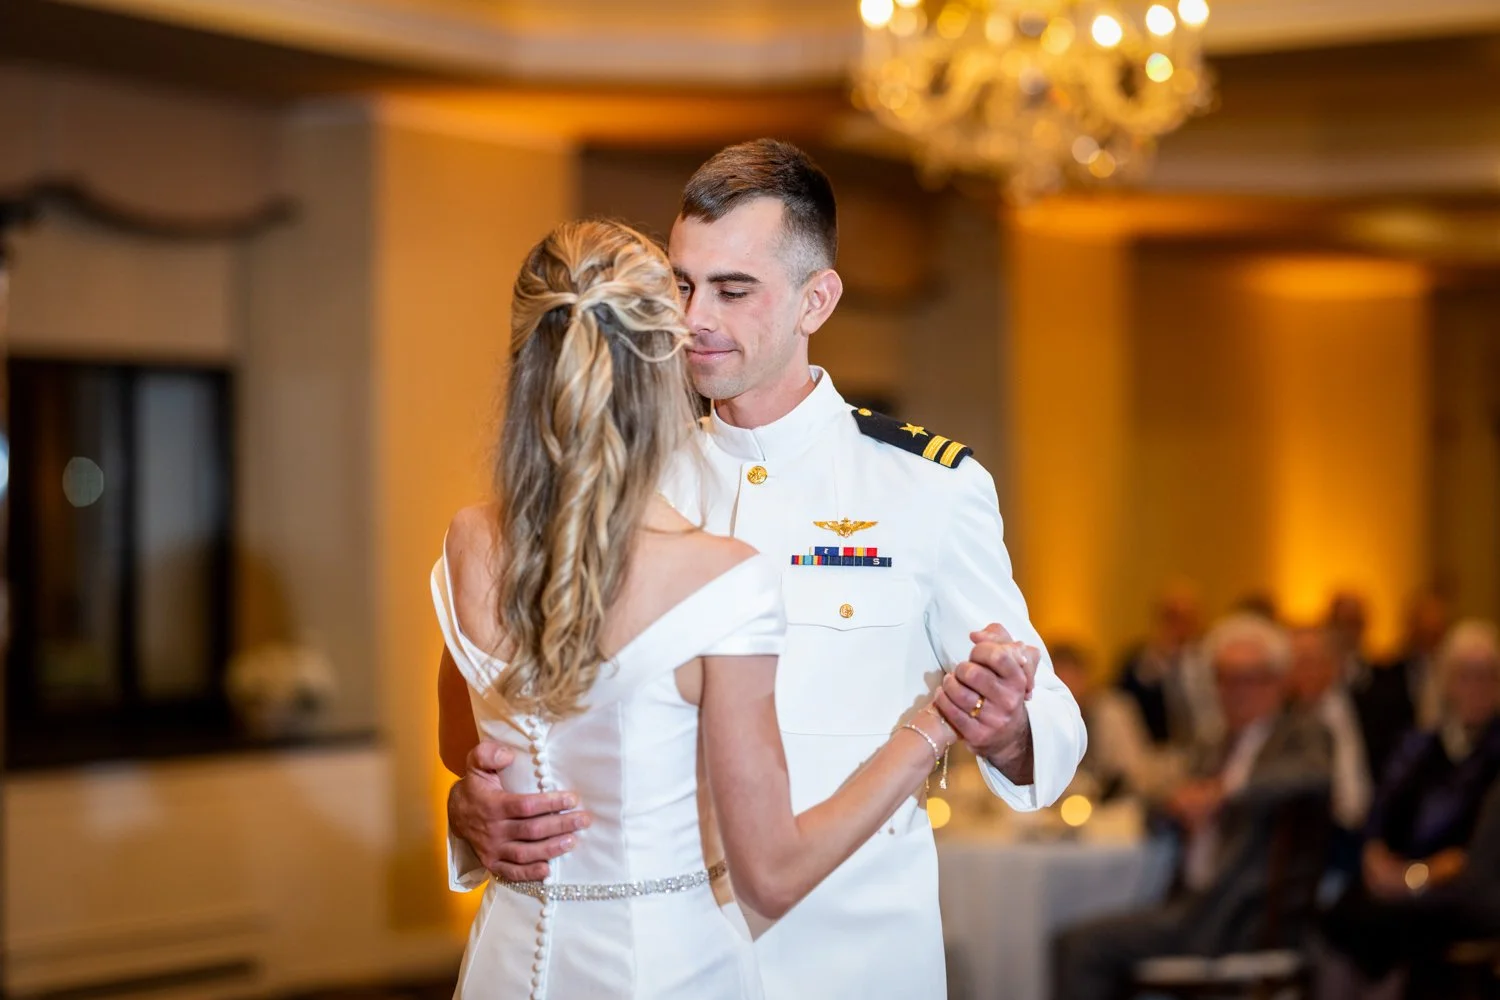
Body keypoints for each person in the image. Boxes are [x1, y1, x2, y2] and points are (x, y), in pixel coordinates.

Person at [446, 140, 1086, 1000]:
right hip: (655, 960)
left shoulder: (926, 487)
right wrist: (468, 808)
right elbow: (503, 712)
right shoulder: (619, 484)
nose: (692, 316)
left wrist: (1003, 724)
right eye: (679, 283)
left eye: (733, 290)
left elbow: (1047, 717)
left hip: (848, 960)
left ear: (815, 300)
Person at [1052, 614, 1333, 1000]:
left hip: (1244, 915)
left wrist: (1225, 791)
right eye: (1224, 677)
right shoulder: (1214, 744)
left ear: (1278, 680)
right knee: (1078, 936)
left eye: (1248, 677)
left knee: (1081, 947)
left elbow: (1313, 774)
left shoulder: (1301, 734)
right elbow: (1153, 800)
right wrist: (1174, 805)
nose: (1234, 691)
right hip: (1192, 904)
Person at [1319, 619, 1500, 998]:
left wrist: (1414, 878)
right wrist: (1377, 859)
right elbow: (1379, 815)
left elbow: (1478, 853)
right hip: (1399, 878)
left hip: (1459, 887)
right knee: (1341, 913)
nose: (1477, 687)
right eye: (1466, 674)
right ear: (1447, 680)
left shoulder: (1493, 751)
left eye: (1488, 675)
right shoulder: (1420, 745)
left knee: (1394, 925)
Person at [1052, 642, 1177, 800]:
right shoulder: (1051, 720)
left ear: (1084, 676)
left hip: (1118, 803)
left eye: (1071, 678)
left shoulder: (1113, 711)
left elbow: (1133, 772)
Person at [1287, 625, 1372, 834]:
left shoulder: (1367, 705)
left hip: (1359, 831)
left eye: (1308, 662)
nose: (1300, 672)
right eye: (1294, 664)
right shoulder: (1279, 719)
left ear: (1332, 666)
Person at [1116, 581, 1213, 749]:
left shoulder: (1211, 659)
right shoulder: (1140, 662)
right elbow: (1126, 704)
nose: (1179, 626)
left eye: (1186, 618)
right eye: (1172, 617)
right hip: (1155, 752)